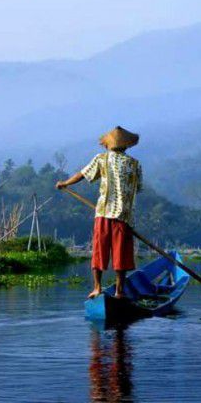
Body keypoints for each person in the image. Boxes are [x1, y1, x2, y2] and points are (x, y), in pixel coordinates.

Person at [55, 126, 143, 299]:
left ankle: (97, 288)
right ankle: (119, 291)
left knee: (99, 252)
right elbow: (138, 188)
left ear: (108, 145)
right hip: (123, 217)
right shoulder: (134, 164)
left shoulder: (101, 159)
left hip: (103, 213)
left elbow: (83, 174)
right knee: (121, 255)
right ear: (126, 146)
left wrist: (64, 183)